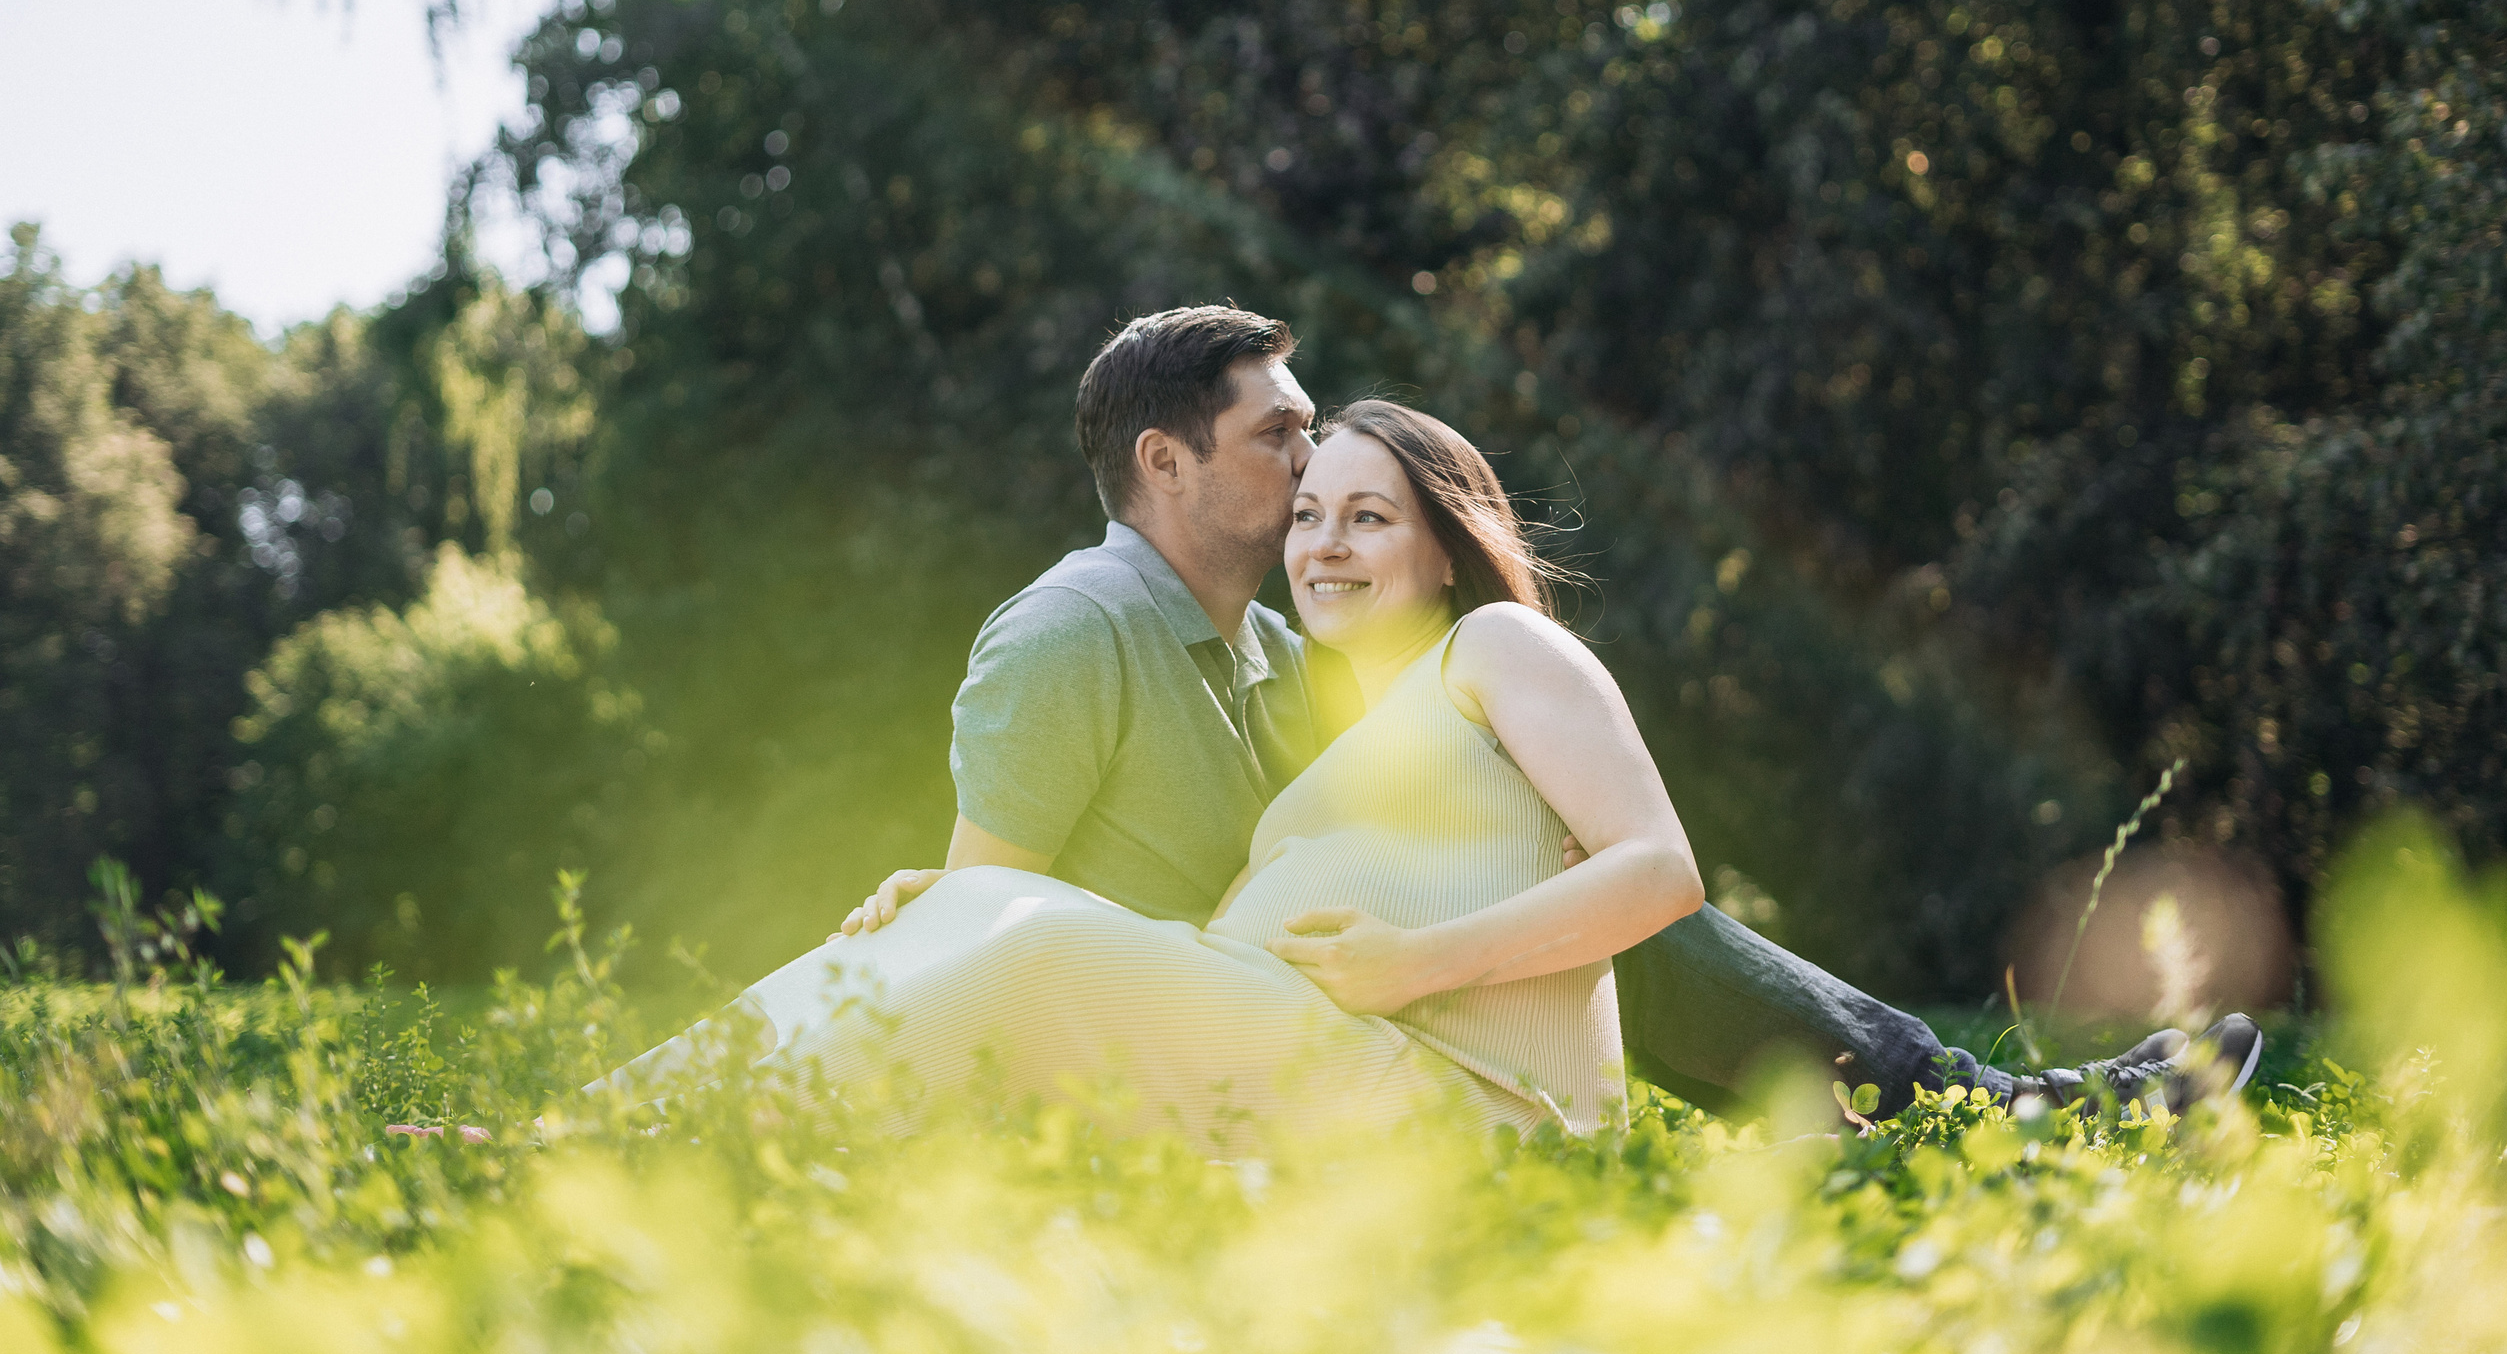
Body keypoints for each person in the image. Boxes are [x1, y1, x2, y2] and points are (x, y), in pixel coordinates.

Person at [592, 390, 1704, 1146]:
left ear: (1446, 546)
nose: (1322, 546)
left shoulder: (1494, 647)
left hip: (1471, 1103)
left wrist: (1414, 963)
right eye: (1308, 516)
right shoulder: (1337, 740)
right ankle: (602, 1123)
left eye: (1369, 519)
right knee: (972, 911)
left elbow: (1659, 870)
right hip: (1332, 1061)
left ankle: (662, 1139)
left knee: (1035, 953)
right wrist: (972, 897)